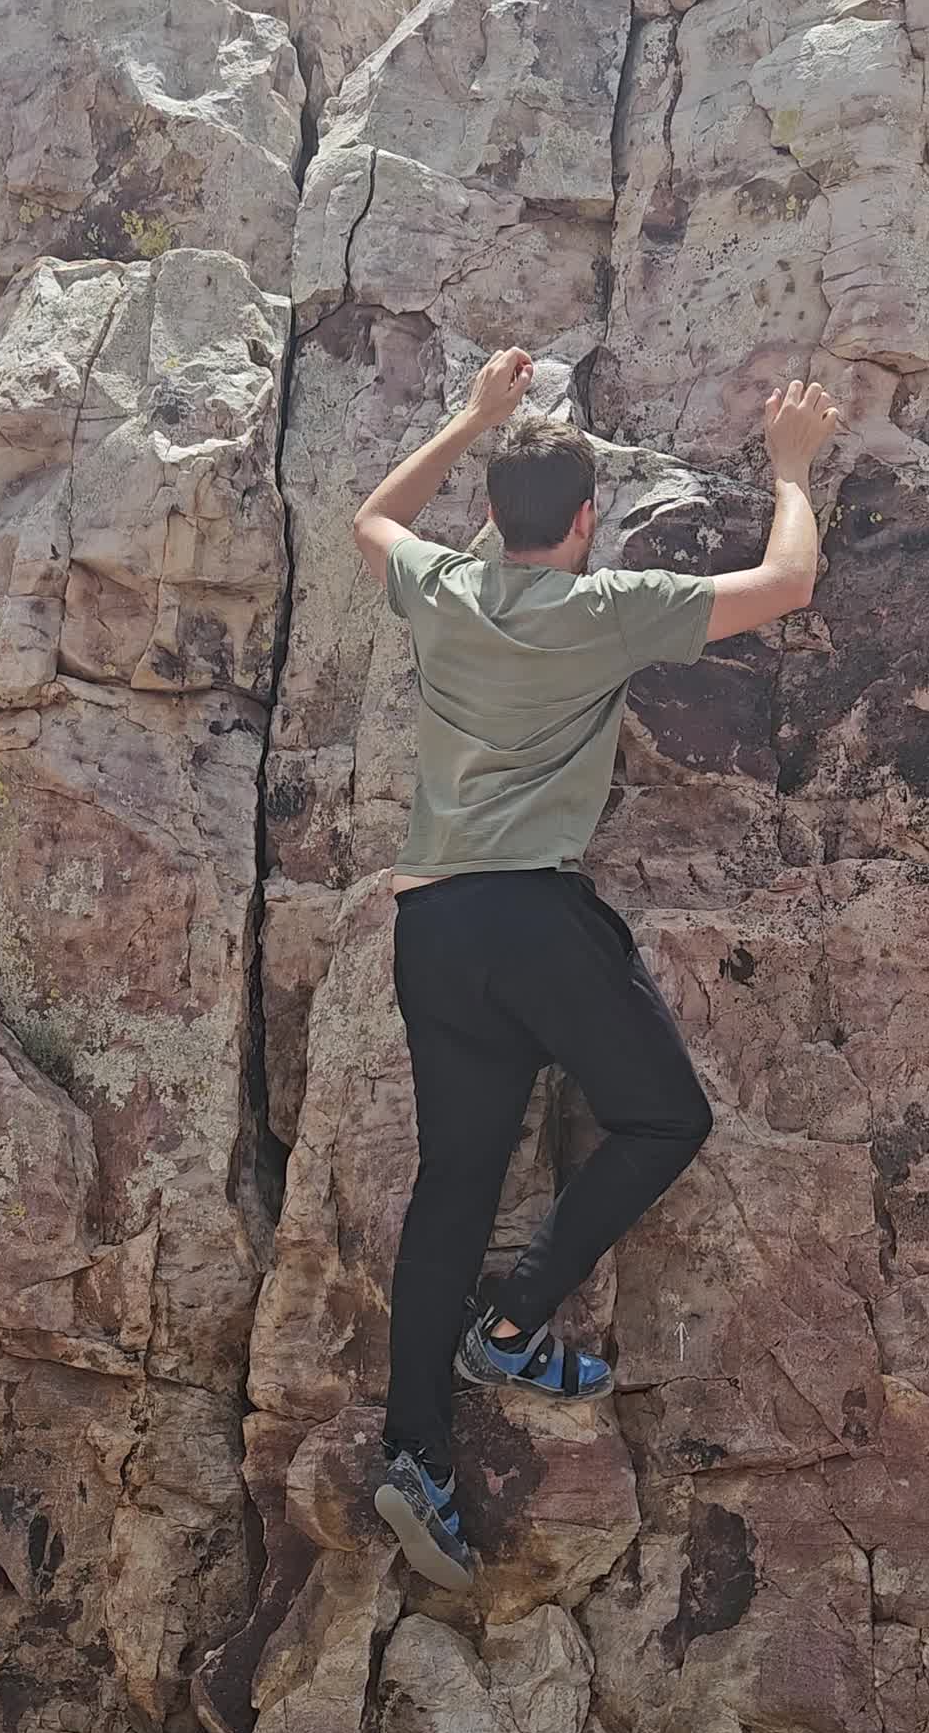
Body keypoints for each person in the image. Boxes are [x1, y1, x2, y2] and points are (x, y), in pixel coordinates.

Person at [352, 348, 841, 1587]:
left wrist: (472, 416)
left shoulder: (443, 586)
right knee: (665, 1116)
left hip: (429, 924)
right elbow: (788, 581)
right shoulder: (602, 607)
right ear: (581, 523)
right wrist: (791, 467)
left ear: (491, 513)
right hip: (530, 917)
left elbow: (372, 520)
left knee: (453, 1187)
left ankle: (413, 1452)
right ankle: (513, 1325)